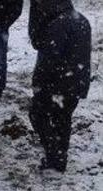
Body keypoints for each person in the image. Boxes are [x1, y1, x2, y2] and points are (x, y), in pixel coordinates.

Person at [28, 0, 91, 173]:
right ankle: (59, 158)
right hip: (76, 83)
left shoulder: (58, 24)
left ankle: (54, 156)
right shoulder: (82, 20)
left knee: (38, 114)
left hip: (58, 85)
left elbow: (49, 59)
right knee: (63, 119)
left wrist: (38, 83)